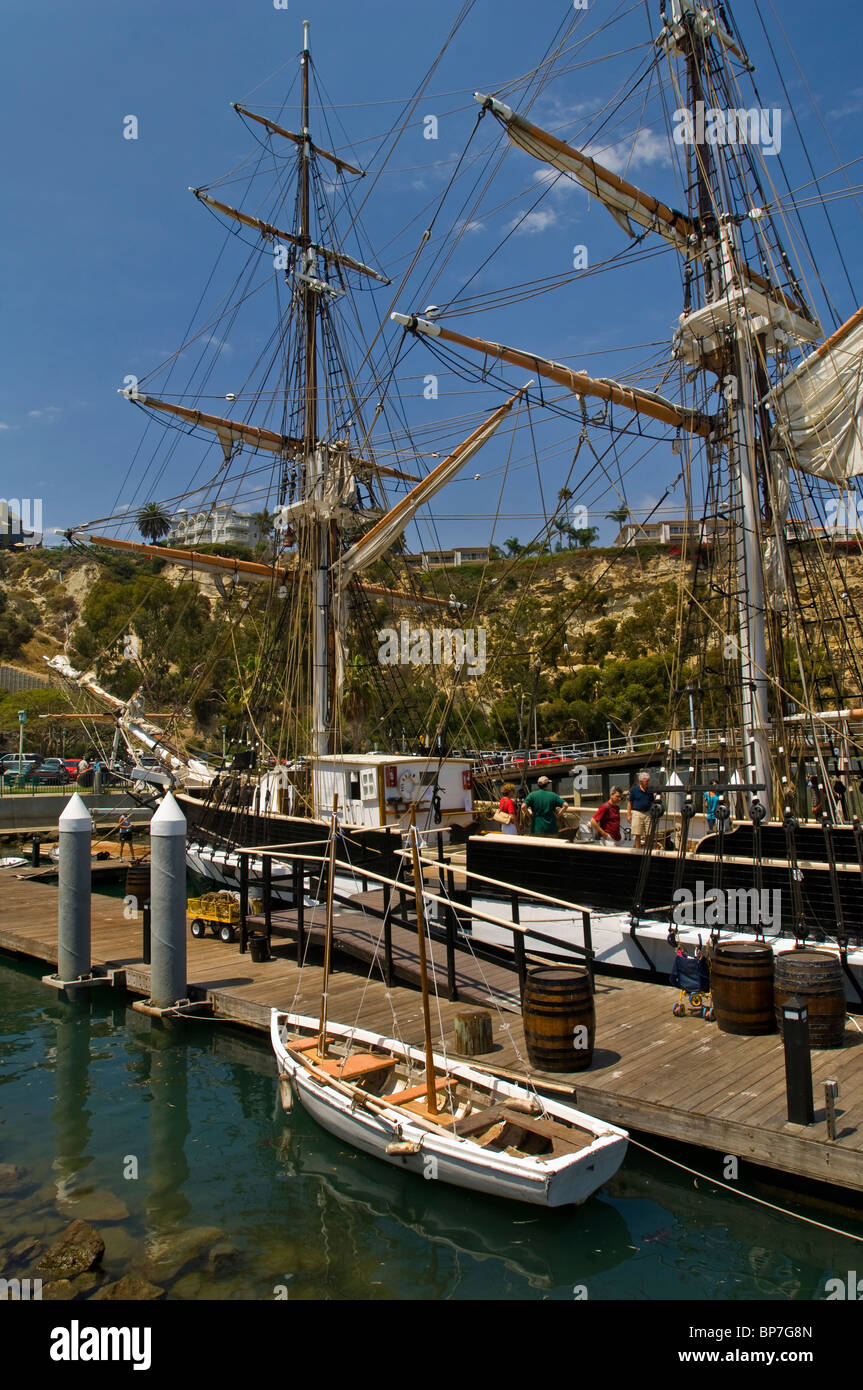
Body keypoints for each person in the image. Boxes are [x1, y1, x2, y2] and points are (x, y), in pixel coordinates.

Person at [628, 770, 654, 847]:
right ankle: (637, 849)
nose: (648, 783)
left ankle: (648, 848)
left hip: (648, 813)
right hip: (637, 813)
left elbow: (652, 801)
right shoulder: (634, 790)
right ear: (641, 781)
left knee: (649, 833)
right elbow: (630, 802)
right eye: (646, 781)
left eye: (648, 781)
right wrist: (629, 814)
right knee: (637, 834)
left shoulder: (650, 790)